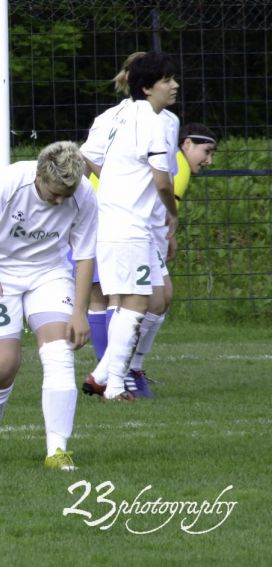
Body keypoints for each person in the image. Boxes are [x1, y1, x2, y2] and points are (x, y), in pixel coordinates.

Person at [0, 141, 97, 471]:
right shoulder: (10, 182)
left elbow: (85, 254)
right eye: (55, 194)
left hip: (48, 275)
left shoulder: (84, 195)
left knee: (59, 351)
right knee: (3, 364)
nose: (61, 200)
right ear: (39, 177)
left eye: (68, 193)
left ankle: (57, 451)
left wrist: (80, 311)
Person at [80, 52, 179, 401]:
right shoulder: (153, 123)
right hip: (130, 225)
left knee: (148, 298)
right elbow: (164, 183)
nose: (174, 85)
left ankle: (102, 375)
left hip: (113, 220)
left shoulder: (118, 115)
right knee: (134, 302)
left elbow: (89, 156)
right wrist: (173, 213)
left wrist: (112, 185)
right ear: (147, 87)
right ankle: (117, 385)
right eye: (167, 80)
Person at [124, 122, 217, 395]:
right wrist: (169, 236)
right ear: (186, 143)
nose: (209, 160)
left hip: (145, 232)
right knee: (149, 300)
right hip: (134, 232)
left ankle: (133, 368)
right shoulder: (179, 164)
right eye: (206, 151)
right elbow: (166, 209)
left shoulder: (174, 162)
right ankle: (119, 370)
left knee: (162, 298)